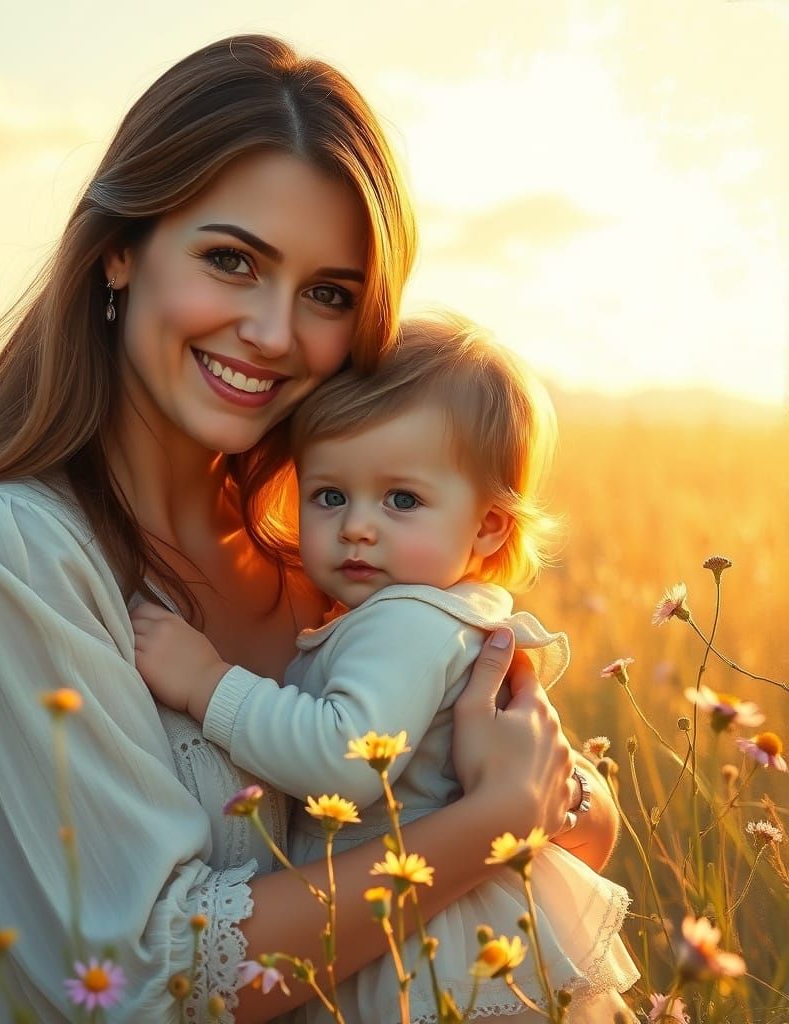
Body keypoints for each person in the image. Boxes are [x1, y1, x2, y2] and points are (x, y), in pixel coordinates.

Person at [0, 35, 618, 1023]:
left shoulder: (331, 561)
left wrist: (552, 797)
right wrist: (494, 823)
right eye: (231, 260)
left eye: (327, 293)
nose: (275, 333)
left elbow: (581, 833)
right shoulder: (8, 554)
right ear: (119, 250)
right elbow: (150, 981)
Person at [133, 315, 639, 1022]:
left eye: (402, 500)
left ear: (488, 525)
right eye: (330, 495)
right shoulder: (444, 610)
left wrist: (206, 683)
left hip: (429, 936)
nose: (357, 526)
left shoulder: (409, 621)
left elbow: (347, 757)